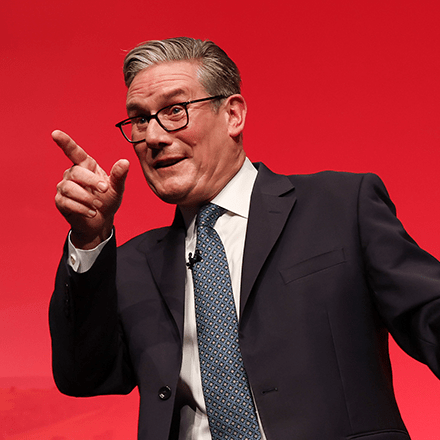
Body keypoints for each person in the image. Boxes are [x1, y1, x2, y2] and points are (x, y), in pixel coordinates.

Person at [49, 37, 440, 440]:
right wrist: (90, 239)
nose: (154, 137)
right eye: (140, 120)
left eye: (174, 111)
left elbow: (429, 314)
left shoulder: (340, 207)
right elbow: (84, 375)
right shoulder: (134, 264)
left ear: (233, 115)